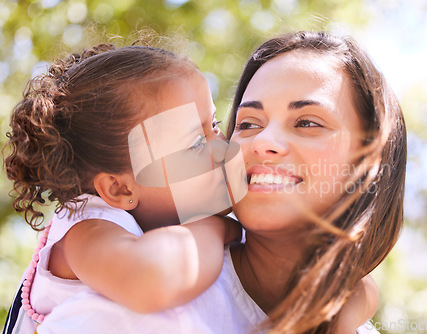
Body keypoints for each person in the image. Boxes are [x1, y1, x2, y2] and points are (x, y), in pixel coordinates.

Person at [36, 31, 406, 334]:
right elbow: (150, 276)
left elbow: (361, 291)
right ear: (118, 187)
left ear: (370, 157)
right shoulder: (123, 308)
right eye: (247, 124)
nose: (259, 142)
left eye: (307, 122)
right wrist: (212, 226)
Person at [2, 42, 244, 334]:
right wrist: (218, 227)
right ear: (118, 189)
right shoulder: (87, 228)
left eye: (215, 124)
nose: (222, 147)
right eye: (195, 144)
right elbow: (151, 280)